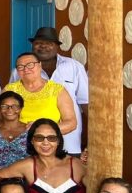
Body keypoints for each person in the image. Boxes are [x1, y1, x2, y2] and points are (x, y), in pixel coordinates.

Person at [11, 27, 88, 156]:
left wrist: (90, 137)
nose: (43, 46)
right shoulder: (20, 71)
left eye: (49, 43)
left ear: (57, 46)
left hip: (69, 139)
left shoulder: (74, 67)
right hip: (28, 144)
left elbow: (86, 103)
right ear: (32, 46)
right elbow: (10, 102)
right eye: (38, 43)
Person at [3, 52, 77, 151]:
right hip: (14, 147)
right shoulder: (9, 90)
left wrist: (41, 130)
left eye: (30, 65)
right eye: (20, 67)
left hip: (47, 147)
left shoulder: (57, 90)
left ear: (40, 65)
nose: (26, 69)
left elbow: (71, 123)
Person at [0, 91, 29, 170]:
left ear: (21, 108)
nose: (10, 109)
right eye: (4, 106)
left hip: (24, 178)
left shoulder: (29, 130)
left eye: (15, 106)